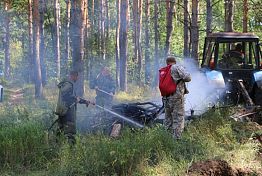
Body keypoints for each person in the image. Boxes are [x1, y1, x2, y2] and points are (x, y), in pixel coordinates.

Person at [55, 70, 90, 145]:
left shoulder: (65, 84)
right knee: (70, 129)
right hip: (68, 110)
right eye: (77, 77)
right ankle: (71, 147)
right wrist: (75, 99)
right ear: (73, 76)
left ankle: (57, 144)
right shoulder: (69, 84)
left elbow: (72, 96)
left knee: (61, 127)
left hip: (62, 110)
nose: (77, 79)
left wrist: (84, 101)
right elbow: (67, 96)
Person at [162, 56, 191, 140]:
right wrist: (184, 70)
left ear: (167, 62)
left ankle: (166, 138)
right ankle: (176, 140)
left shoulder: (164, 70)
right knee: (178, 118)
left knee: (168, 119)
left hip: (166, 97)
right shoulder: (176, 67)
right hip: (177, 98)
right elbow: (188, 78)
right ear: (175, 62)